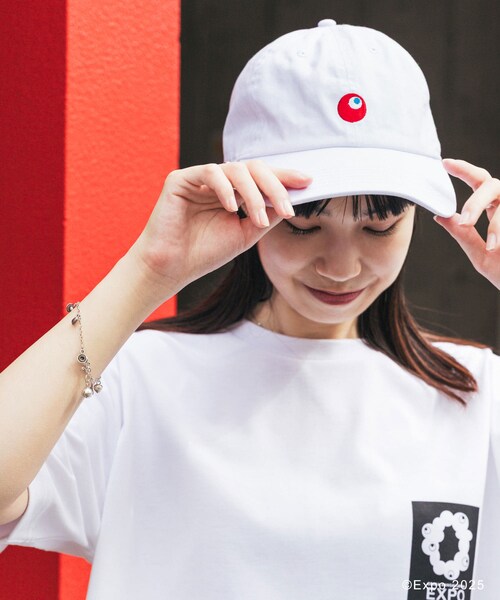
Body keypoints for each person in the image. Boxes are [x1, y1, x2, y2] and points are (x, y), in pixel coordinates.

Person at [1, 18, 499, 599]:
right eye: (304, 226)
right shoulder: (143, 380)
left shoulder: (476, 394)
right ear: (244, 202)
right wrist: (149, 271)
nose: (341, 267)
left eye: (379, 226)